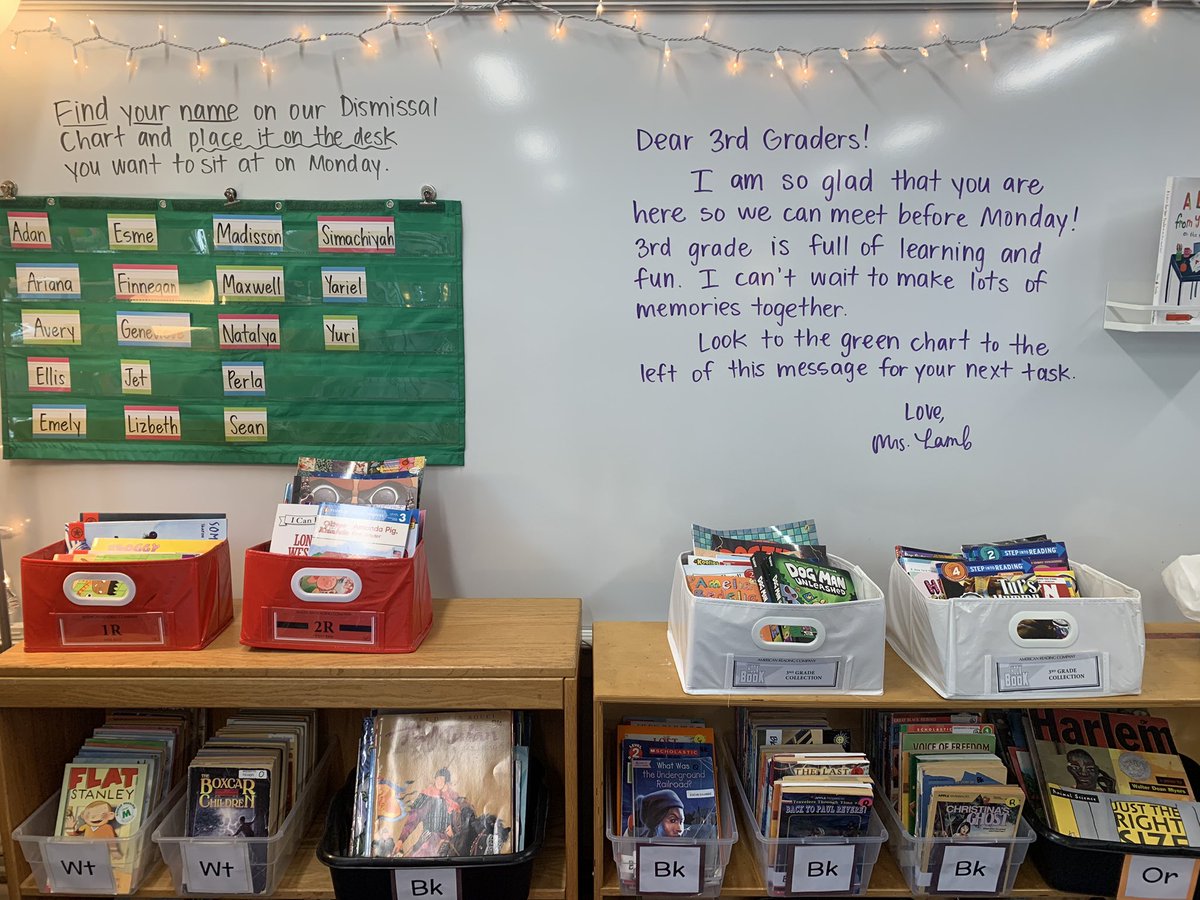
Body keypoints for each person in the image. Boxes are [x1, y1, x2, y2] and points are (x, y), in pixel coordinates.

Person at [394, 768, 462, 856]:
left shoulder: (453, 799)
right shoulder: (426, 796)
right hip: (428, 839)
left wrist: (453, 828)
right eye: (437, 778)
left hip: (449, 841)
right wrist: (401, 839)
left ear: (447, 782)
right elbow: (412, 821)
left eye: (442, 779)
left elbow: (461, 823)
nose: (439, 781)